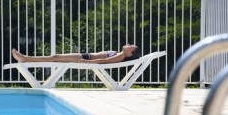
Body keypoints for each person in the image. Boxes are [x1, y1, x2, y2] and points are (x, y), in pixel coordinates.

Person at [12, 44, 141, 64]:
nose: (128, 44)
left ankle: (24, 58)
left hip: (86, 58)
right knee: (56, 58)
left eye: (131, 46)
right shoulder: (121, 55)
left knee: (55, 57)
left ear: (129, 53)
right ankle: (26, 59)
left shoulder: (120, 56)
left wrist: (87, 62)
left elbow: (104, 61)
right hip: (86, 56)